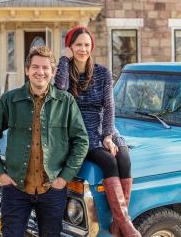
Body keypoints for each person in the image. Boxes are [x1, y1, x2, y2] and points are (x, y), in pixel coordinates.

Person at [0, 46, 89, 237]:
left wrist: (64, 178)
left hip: (52, 190)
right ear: (27, 70)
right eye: (35, 67)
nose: (40, 72)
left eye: (45, 68)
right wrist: (0, 173)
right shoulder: (10, 100)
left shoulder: (66, 102)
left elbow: (81, 141)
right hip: (16, 188)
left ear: (53, 71)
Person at [55, 26, 141, 237]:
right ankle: (126, 226)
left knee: (124, 159)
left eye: (86, 45)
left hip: (103, 125)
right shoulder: (66, 70)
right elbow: (59, 90)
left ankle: (118, 224)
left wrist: (108, 136)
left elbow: (110, 106)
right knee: (108, 162)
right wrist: (64, 60)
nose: (83, 49)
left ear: (91, 46)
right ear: (70, 47)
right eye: (78, 45)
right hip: (78, 129)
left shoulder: (102, 72)